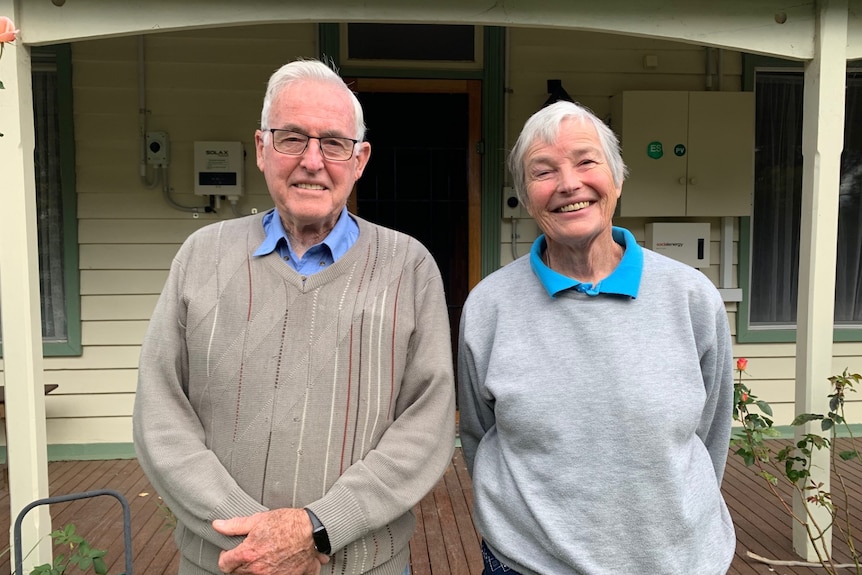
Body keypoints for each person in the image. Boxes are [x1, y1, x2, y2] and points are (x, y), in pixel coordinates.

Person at [133, 58, 456, 575]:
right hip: (226, 562)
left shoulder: (409, 267)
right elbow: (160, 417)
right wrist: (259, 539)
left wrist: (319, 528)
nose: (312, 160)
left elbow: (427, 422)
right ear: (262, 149)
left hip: (365, 565)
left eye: (333, 142)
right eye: (291, 139)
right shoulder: (201, 256)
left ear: (360, 159)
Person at [457, 100, 736, 575]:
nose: (568, 184)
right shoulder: (489, 307)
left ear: (618, 178)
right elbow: (480, 436)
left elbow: (710, 436)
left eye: (587, 161)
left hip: (677, 563)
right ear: (526, 199)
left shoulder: (691, 299)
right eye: (543, 172)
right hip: (527, 567)